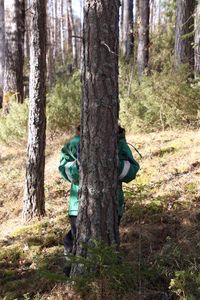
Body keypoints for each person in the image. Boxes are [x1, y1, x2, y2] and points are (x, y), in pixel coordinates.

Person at [59, 125, 140, 274]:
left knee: (108, 239)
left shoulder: (118, 143)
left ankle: (109, 274)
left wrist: (113, 164)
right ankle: (72, 272)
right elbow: (64, 168)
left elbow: (132, 170)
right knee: (74, 239)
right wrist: (80, 167)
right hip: (79, 206)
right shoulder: (75, 143)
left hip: (112, 205)